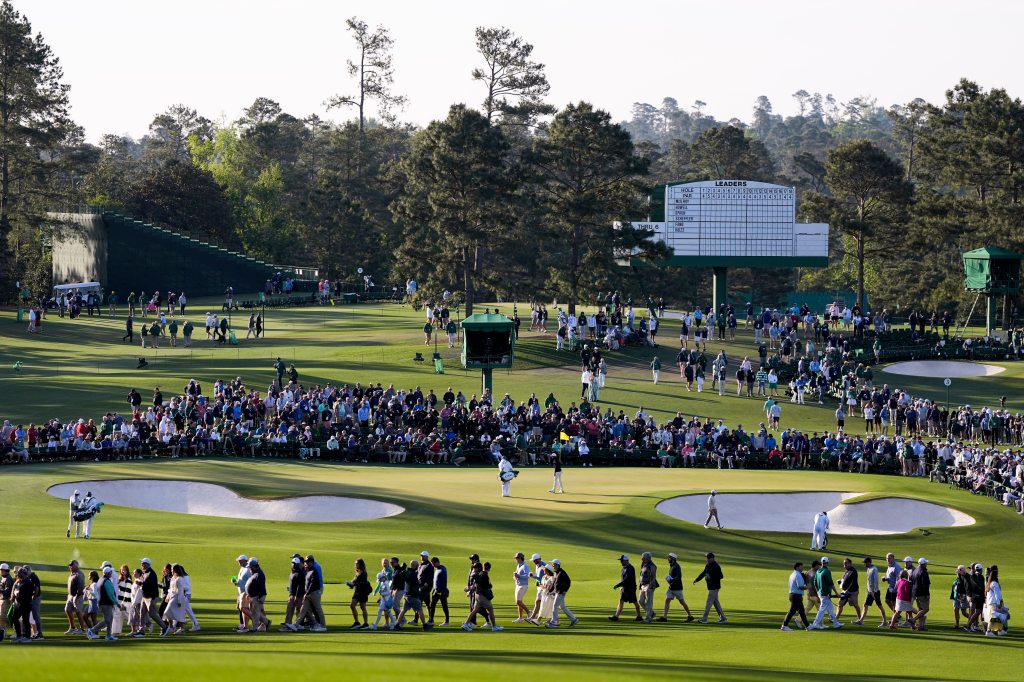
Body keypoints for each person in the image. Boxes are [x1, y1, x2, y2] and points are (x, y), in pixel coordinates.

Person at [461, 561, 500, 631]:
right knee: (490, 610)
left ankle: (466, 624)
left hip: (477, 595)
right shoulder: (484, 574)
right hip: (482, 596)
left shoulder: (479, 574)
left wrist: (468, 589)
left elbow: (476, 584)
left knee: (475, 610)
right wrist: (489, 586)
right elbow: (484, 586)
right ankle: (494, 627)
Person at [85, 565, 118, 641]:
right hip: (107, 603)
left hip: (103, 603)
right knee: (107, 620)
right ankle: (92, 630)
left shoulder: (101, 580)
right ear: (107, 573)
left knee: (110, 618)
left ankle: (109, 635)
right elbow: (110, 594)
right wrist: (117, 603)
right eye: (110, 572)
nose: (111, 574)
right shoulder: (106, 581)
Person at [658, 552, 693, 622]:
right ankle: (665, 617)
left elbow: (679, 576)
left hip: (677, 588)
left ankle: (690, 616)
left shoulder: (676, 566)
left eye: (669, 558)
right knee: (667, 600)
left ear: (673, 559)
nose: (668, 559)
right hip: (671, 588)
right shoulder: (672, 565)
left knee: (682, 602)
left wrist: (671, 580)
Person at [693, 552, 726, 624]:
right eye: (706, 558)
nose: (707, 559)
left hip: (714, 587)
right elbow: (704, 573)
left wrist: (711, 577)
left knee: (709, 603)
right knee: (716, 603)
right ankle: (723, 618)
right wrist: (697, 579)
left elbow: (721, 576)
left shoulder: (716, 566)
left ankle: (704, 619)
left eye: (708, 558)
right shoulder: (708, 565)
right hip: (710, 587)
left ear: (712, 558)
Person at [809, 557, 843, 629]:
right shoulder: (826, 571)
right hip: (826, 594)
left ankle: (836, 623)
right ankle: (815, 624)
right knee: (822, 609)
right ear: (827, 562)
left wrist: (818, 591)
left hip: (821, 593)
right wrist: (837, 593)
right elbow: (831, 584)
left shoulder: (818, 571)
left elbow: (815, 583)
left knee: (831, 609)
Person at [545, 559, 578, 628]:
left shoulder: (561, 572)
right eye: (552, 564)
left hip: (560, 592)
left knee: (555, 606)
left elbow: (568, 582)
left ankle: (553, 622)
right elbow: (554, 583)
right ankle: (574, 619)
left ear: (557, 565)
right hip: (558, 592)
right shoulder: (556, 572)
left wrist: (564, 590)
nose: (552, 565)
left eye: (553, 564)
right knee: (562, 607)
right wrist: (550, 591)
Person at [609, 554, 641, 621]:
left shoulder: (630, 568)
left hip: (630, 589)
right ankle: (616, 616)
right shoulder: (624, 568)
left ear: (626, 560)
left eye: (622, 561)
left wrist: (618, 585)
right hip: (625, 588)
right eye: (621, 561)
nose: (621, 562)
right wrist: (621, 586)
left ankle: (639, 616)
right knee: (621, 601)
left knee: (635, 602)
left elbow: (627, 579)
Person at [781, 561, 810, 630]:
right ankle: (784, 625)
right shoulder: (798, 575)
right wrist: (808, 587)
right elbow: (800, 586)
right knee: (792, 611)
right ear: (797, 567)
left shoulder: (792, 574)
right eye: (801, 566)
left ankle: (808, 626)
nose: (802, 567)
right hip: (796, 595)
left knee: (802, 612)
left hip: (793, 595)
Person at [860, 557, 887, 627]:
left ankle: (885, 622)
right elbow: (868, 581)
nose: (864, 564)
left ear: (869, 562)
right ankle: (861, 621)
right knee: (865, 605)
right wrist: (868, 589)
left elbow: (875, 581)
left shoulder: (874, 569)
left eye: (865, 563)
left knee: (880, 606)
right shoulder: (868, 569)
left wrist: (874, 591)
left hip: (875, 592)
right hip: (869, 591)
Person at [245, 558, 270, 632]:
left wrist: (260, 597)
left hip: (258, 596)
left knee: (255, 613)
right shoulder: (255, 573)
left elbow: (261, 586)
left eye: (250, 567)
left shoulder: (259, 574)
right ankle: (267, 622)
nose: (249, 569)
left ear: (254, 566)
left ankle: (254, 628)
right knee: (255, 612)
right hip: (253, 596)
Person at [345, 558, 372, 629]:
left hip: (362, 592)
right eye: (355, 563)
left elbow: (363, 583)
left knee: (363, 607)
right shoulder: (357, 572)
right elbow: (355, 582)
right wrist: (351, 584)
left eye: (357, 563)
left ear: (360, 564)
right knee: (352, 605)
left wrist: (354, 584)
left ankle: (366, 624)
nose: (355, 565)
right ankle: (357, 622)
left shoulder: (364, 573)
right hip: (357, 592)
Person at [835, 557, 863, 624]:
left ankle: (860, 620)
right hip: (845, 591)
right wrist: (840, 581)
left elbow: (852, 582)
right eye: (844, 564)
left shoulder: (853, 571)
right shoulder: (846, 571)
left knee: (856, 605)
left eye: (846, 563)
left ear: (850, 563)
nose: (844, 565)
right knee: (840, 604)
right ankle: (836, 619)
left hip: (853, 592)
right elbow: (844, 579)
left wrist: (847, 590)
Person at [984, 565, 1007, 636]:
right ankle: (988, 631)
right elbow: (997, 595)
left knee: (996, 617)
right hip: (994, 603)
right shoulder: (995, 584)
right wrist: (998, 603)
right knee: (993, 618)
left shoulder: (989, 583)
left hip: (990, 602)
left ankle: (999, 630)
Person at [64, 560, 86, 634]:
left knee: (78, 611)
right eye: (69, 565)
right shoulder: (72, 574)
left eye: (72, 565)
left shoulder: (79, 574)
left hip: (77, 596)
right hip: (70, 596)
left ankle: (82, 629)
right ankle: (72, 627)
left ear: (76, 565)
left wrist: (77, 595)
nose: (70, 567)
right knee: (67, 610)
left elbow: (81, 586)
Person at [232, 554, 252, 632]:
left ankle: (256, 622)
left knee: (244, 608)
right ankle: (242, 624)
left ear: (245, 561)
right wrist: (235, 582)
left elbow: (250, 581)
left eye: (240, 561)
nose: (239, 562)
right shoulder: (242, 568)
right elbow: (241, 580)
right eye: (238, 561)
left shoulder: (248, 569)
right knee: (240, 608)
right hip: (240, 591)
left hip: (245, 592)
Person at [638, 552, 659, 623]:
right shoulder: (644, 564)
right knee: (640, 601)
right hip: (643, 585)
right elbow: (641, 575)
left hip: (649, 586)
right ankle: (651, 613)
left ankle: (648, 618)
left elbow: (653, 577)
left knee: (649, 602)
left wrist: (650, 586)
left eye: (643, 557)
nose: (642, 559)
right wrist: (640, 585)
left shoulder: (652, 566)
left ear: (648, 558)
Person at [429, 557, 450, 627]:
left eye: (433, 563)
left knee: (444, 606)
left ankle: (446, 622)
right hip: (436, 591)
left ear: (437, 562)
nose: (433, 565)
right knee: (432, 605)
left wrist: (440, 591)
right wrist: (434, 590)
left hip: (441, 592)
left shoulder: (442, 570)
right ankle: (431, 620)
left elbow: (444, 582)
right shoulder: (437, 569)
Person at [911, 557, 931, 630]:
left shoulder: (915, 570)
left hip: (916, 593)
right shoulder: (924, 571)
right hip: (923, 594)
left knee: (920, 610)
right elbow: (925, 584)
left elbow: (912, 582)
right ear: (923, 564)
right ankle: (913, 619)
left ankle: (921, 626)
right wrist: (926, 594)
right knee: (926, 609)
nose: (926, 564)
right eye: (926, 563)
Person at [512, 552, 531, 623]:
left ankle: (529, 612)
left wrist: (519, 576)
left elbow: (527, 576)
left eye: (516, 558)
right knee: (518, 602)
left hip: (523, 585)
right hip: (518, 585)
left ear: (520, 558)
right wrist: (515, 576)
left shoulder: (525, 566)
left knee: (518, 601)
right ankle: (520, 618)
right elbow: (518, 575)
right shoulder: (518, 566)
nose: (515, 559)